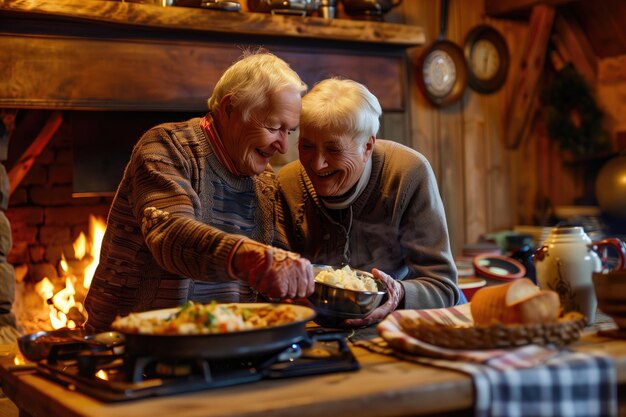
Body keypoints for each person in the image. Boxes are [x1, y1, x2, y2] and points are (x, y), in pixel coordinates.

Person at [84, 51, 314, 332]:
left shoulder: (265, 182)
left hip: (227, 349)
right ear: (229, 108)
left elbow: (278, 270)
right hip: (131, 343)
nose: (282, 147)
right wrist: (251, 257)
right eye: (274, 127)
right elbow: (170, 235)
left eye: (289, 132)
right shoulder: (166, 147)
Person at [277, 78, 460, 327]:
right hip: (315, 326)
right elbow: (275, 277)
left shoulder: (407, 174)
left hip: (396, 324)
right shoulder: (287, 182)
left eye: (334, 150)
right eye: (306, 146)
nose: (317, 163)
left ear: (367, 146)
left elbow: (442, 286)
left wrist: (399, 294)